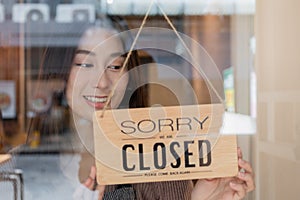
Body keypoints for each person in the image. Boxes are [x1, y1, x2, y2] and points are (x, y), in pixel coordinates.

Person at [40, 16, 254, 200]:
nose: (102, 82)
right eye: (85, 63)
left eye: (116, 66)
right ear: (60, 72)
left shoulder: (159, 164)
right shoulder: (21, 164)